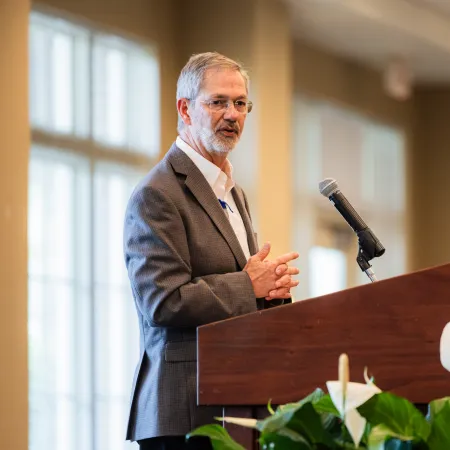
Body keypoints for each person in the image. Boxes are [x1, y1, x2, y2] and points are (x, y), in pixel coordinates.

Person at [123, 52, 300, 450]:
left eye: (240, 104)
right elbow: (163, 301)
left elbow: (242, 293)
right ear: (185, 109)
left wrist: (269, 291)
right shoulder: (157, 194)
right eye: (217, 102)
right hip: (185, 411)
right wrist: (248, 285)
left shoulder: (233, 192)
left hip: (238, 403)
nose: (232, 114)